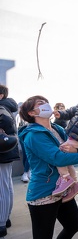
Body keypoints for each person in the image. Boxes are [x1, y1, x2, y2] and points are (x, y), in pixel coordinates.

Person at [18, 95, 78, 239]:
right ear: (31, 113)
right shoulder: (33, 135)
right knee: (43, 236)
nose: (46, 105)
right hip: (44, 191)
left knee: (73, 225)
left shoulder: (57, 128)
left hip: (64, 188)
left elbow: (73, 147)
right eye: (40, 103)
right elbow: (57, 158)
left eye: (46, 102)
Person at [0, 85, 20, 238]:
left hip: (3, 151)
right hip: (7, 150)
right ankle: (5, 218)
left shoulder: (1, 108)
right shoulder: (7, 107)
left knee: (2, 188)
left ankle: (1, 223)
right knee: (6, 185)